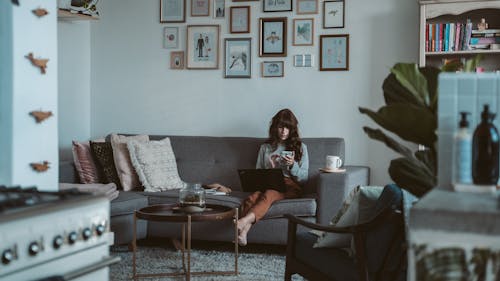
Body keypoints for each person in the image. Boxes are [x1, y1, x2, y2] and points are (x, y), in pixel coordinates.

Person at [237, 108, 309, 246]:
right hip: (269, 182)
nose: (284, 131)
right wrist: (271, 166)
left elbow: (304, 178)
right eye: (281, 127)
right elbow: (258, 174)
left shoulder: (301, 148)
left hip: (290, 186)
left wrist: (292, 165)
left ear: (292, 129)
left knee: (269, 194)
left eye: (287, 127)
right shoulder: (266, 148)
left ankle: (243, 222)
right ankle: (244, 232)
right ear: (275, 127)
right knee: (252, 198)